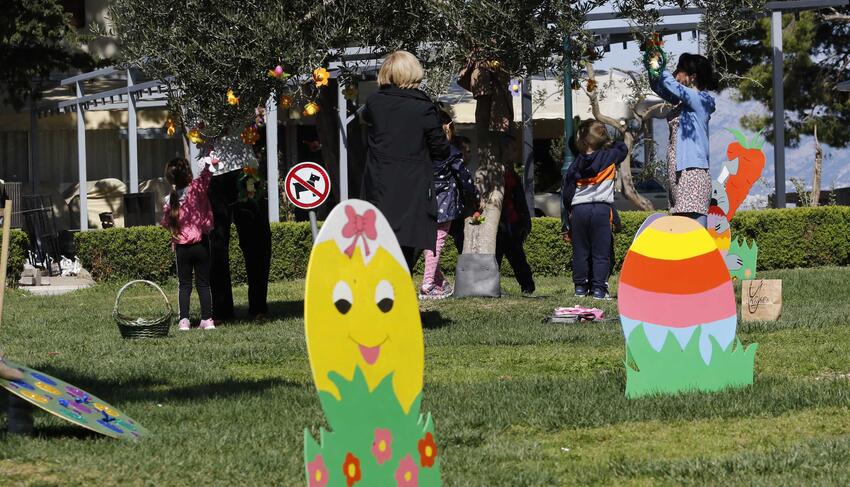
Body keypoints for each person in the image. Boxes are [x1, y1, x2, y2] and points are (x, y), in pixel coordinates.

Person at [361, 50, 452, 272]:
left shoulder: (374, 103)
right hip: (412, 187)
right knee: (406, 250)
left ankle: (379, 289)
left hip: (379, 185)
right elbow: (441, 150)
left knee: (379, 244)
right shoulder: (423, 107)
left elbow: (368, 122)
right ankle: (399, 290)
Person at [206, 136, 272, 321]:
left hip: (246, 169)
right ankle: (221, 309)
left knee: (257, 241)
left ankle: (258, 306)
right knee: (216, 244)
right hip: (216, 171)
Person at [648, 52, 717, 227]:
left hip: (692, 173)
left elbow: (671, 84)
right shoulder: (683, 102)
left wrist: (660, 64)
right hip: (678, 173)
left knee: (694, 231)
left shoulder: (701, 100)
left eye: (679, 70)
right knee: (681, 230)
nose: (675, 75)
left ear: (692, 76)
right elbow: (659, 86)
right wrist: (652, 64)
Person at [561, 120, 628, 300]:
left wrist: (570, 209)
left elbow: (567, 193)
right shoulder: (611, 156)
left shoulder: (575, 164)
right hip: (601, 209)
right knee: (601, 253)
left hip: (579, 211)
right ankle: (599, 289)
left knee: (580, 252)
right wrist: (609, 141)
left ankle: (580, 288)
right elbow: (623, 148)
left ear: (582, 141)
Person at [420, 106, 479, 299]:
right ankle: (428, 284)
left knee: (429, 243)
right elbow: (464, 177)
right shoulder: (450, 152)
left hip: (423, 201)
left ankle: (440, 283)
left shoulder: (423, 152)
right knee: (437, 242)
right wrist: (475, 197)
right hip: (444, 204)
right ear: (447, 127)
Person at [161, 157, 215, 330]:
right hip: (201, 243)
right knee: (203, 284)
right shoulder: (197, 189)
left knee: (184, 285)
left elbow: (165, 222)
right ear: (188, 173)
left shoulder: (170, 199)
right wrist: (210, 162)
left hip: (181, 248)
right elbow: (206, 176)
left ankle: (184, 320)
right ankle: (207, 320)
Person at [497, 165, 535, 296]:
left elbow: (520, 201)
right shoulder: (507, 176)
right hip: (507, 223)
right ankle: (527, 286)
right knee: (515, 257)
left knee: (516, 257)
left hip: (511, 223)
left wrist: (524, 223)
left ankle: (527, 286)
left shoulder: (510, 177)